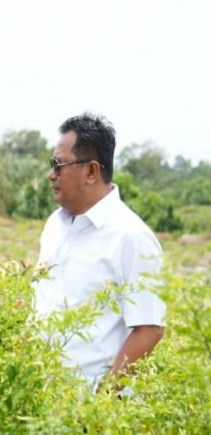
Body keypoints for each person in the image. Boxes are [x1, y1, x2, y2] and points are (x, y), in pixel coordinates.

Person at [33, 113, 165, 390]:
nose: (51, 174)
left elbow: (149, 329)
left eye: (58, 165)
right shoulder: (54, 226)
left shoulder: (131, 237)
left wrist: (102, 403)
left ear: (92, 171)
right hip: (38, 403)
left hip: (87, 412)